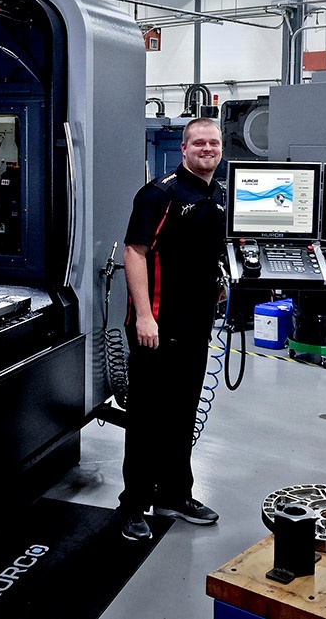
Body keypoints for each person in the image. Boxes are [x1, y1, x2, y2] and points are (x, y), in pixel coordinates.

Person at [118, 117, 226, 541]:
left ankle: (174, 495)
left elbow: (197, 254)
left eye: (213, 143)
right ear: (183, 149)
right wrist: (144, 315)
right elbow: (134, 251)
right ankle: (133, 504)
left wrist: (214, 287)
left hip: (195, 326)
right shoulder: (160, 194)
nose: (207, 149)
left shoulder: (215, 194)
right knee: (147, 418)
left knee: (183, 413)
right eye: (198, 142)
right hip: (156, 327)